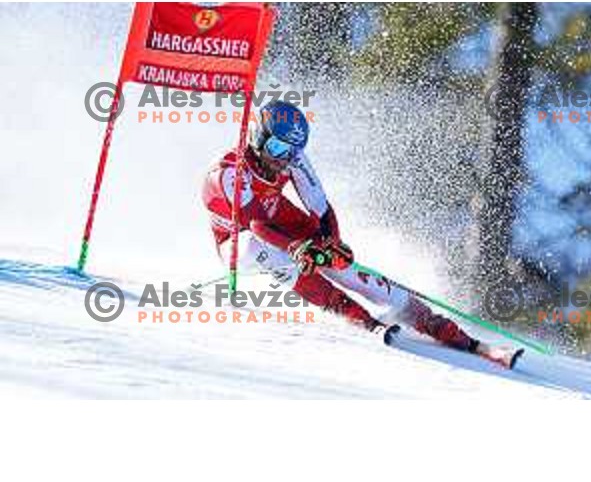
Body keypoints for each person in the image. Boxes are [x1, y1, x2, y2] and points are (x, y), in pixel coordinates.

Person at [202, 101, 523, 369]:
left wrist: (333, 243)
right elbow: (257, 224)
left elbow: (321, 207)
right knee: (255, 249)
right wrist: (299, 249)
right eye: (275, 147)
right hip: (238, 238)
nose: (281, 159)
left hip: (278, 218)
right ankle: (353, 315)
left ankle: (454, 334)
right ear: (259, 137)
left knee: (338, 263)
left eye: (290, 152)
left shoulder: (293, 160)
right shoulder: (229, 171)